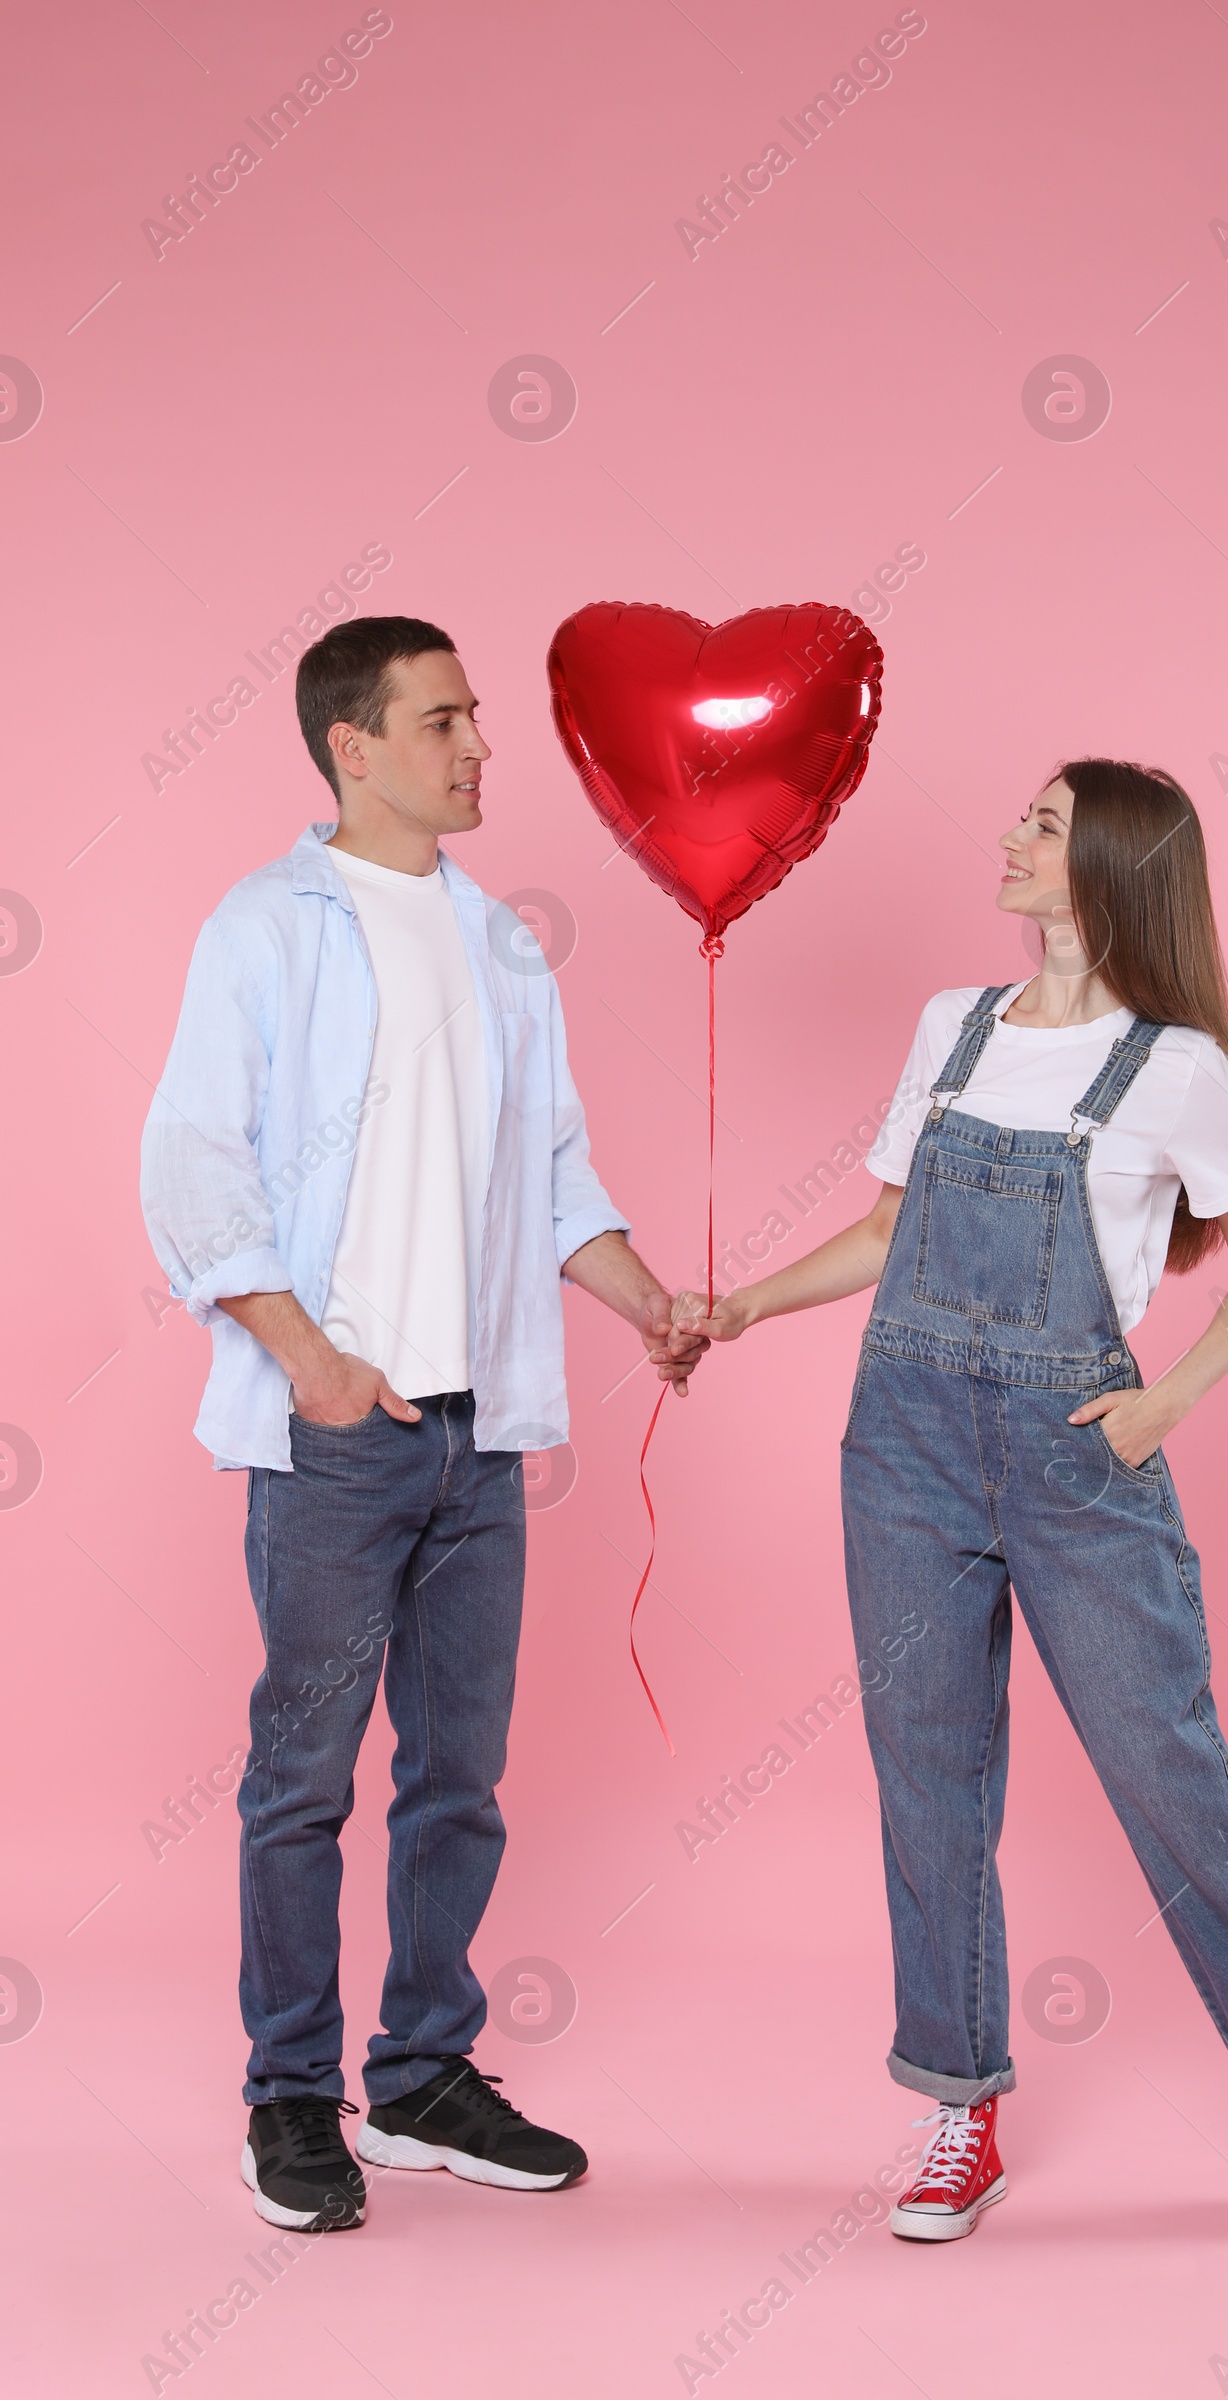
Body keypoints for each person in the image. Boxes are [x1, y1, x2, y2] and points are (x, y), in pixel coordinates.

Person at [702, 758, 1228, 2253]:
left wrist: (1164, 1405)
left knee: (1172, 1775)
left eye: (1041, 824)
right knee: (931, 1782)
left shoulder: (1178, 1069)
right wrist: (742, 1310)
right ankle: (959, 2111)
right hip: (902, 1448)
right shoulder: (952, 1030)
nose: (1010, 838)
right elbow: (887, 1233)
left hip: (1073, 1459)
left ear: (1108, 862)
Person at [141, 616, 707, 2234]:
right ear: (353, 745)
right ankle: (290, 2098)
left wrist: (648, 1300)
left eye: (475, 719)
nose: (478, 748)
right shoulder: (266, 927)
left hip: (480, 1437)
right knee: (302, 1777)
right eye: (444, 718)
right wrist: (310, 1360)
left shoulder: (503, 942)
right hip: (337, 1434)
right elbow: (192, 1161)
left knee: (460, 1775)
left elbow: (554, 1177)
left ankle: (424, 2076)